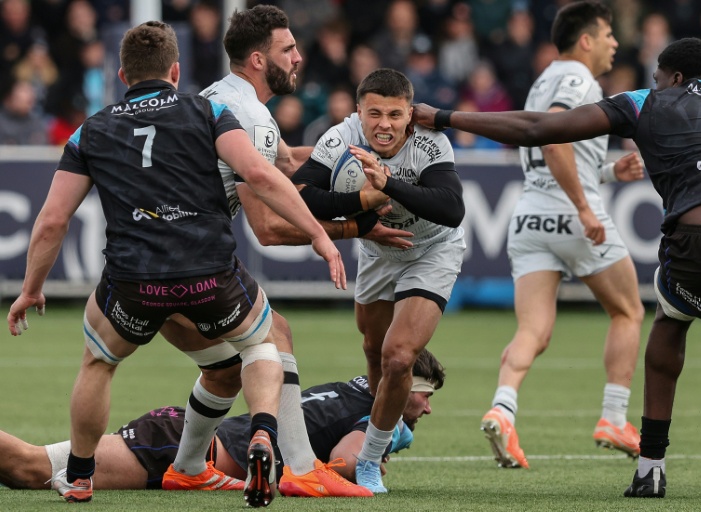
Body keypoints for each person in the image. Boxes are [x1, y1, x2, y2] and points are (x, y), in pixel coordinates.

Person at [5, 20, 345, 508]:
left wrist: (31, 288)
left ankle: (80, 476)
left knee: (98, 362)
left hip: (134, 282)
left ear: (122, 75)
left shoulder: (92, 130)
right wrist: (319, 236)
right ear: (176, 70)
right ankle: (264, 434)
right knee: (263, 341)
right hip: (210, 277)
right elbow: (257, 174)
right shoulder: (209, 110)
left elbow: (52, 220)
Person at [413, 37, 701, 498]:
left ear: (674, 78)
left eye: (659, 76)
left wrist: (442, 116)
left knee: (670, 322)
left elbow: (539, 128)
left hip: (698, 245)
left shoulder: (646, 101)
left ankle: (650, 468)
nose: (655, 83)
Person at [158, 5, 409, 500]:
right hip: (190, 256)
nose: (298, 57)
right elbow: (269, 228)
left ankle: (187, 467)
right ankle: (297, 467)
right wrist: (356, 226)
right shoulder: (249, 116)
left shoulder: (229, 100)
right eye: (287, 49)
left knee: (226, 367)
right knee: (274, 335)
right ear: (258, 59)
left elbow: (284, 161)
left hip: (157, 251)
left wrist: (349, 144)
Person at [462, 1, 647, 470]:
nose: (614, 44)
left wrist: (606, 172)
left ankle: (502, 408)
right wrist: (585, 205)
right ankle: (613, 417)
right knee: (628, 310)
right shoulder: (577, 80)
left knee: (532, 331)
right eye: (607, 34)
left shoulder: (541, 79)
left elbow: (553, 153)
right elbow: (554, 141)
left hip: (529, 217)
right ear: (585, 40)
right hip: (572, 217)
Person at [291, 68, 465, 493]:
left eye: (393, 114)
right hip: (378, 251)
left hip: (432, 249)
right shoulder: (341, 136)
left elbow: (452, 208)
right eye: (374, 114)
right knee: (372, 350)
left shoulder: (431, 143)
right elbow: (300, 194)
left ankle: (369, 458)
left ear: (409, 115)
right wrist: (362, 208)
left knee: (399, 355)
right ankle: (384, 432)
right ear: (358, 112)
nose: (383, 124)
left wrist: (388, 183)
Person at [0, 348, 444, 491]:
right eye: (422, 396)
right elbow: (343, 461)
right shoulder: (369, 417)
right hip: (177, 447)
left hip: (182, 435)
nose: (426, 409)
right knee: (28, 466)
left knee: (28, 466)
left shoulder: (349, 391)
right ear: (400, 385)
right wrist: (372, 456)